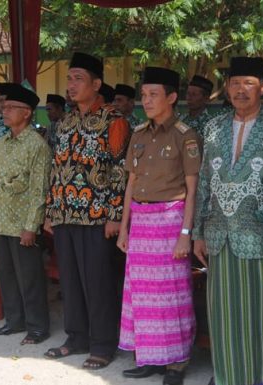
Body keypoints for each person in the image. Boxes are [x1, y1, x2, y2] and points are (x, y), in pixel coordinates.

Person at [193, 57, 263, 385]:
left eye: (248, 83)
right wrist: (197, 231)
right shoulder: (213, 125)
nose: (240, 89)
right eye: (235, 83)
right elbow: (204, 181)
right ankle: (226, 378)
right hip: (219, 237)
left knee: (259, 318)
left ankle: (262, 379)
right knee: (222, 316)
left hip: (261, 240)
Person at [43, 52, 130, 370]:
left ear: (96, 84)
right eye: (69, 78)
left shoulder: (114, 120)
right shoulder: (64, 122)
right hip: (66, 215)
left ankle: (103, 343)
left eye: (79, 78)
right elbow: (56, 168)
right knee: (71, 281)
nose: (71, 84)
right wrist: (51, 210)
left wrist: (115, 215)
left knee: (99, 281)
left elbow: (121, 170)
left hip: (97, 217)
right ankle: (77, 337)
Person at [116, 67, 199, 385]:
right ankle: (150, 357)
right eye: (144, 94)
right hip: (140, 223)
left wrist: (185, 234)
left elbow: (192, 190)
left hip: (170, 222)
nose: (146, 100)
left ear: (172, 97)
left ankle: (177, 362)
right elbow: (130, 185)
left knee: (171, 296)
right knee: (141, 297)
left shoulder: (184, 136)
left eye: (153, 95)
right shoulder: (137, 133)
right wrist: (124, 228)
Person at [0, 84, 52, 345]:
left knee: (29, 277)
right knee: (7, 276)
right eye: (5, 106)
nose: (4, 111)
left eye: (12, 108)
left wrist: (31, 226)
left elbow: (39, 189)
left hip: (23, 223)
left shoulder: (37, 146)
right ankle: (14, 321)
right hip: (0, 220)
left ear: (27, 113)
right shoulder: (1, 143)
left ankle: (37, 328)